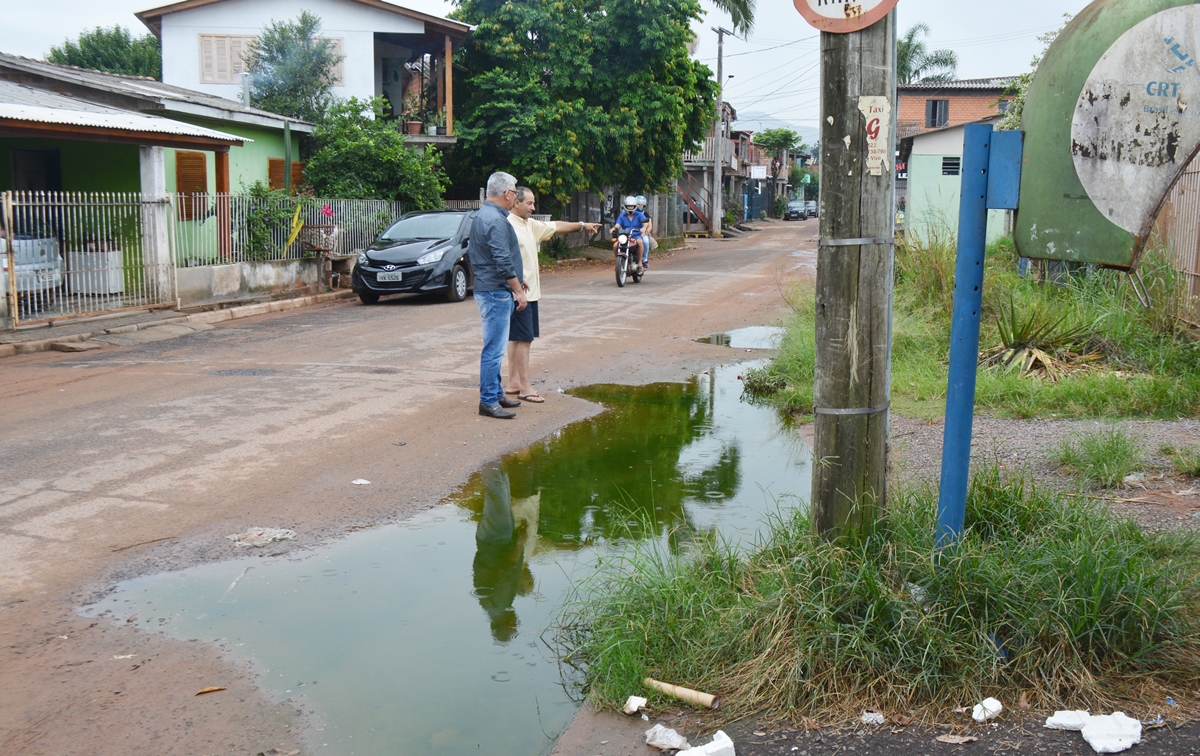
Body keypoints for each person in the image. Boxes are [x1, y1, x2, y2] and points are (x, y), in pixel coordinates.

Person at [505, 187, 599, 402]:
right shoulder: (508, 225)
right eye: (529, 203)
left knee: (516, 338)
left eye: (534, 203)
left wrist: (583, 225)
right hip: (519, 293)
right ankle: (525, 387)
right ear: (516, 203)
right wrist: (515, 287)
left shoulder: (530, 225)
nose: (533, 207)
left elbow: (556, 226)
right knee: (524, 339)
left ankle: (512, 382)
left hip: (529, 293)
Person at [467, 171, 528, 419]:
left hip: (491, 288)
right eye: (514, 191)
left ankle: (496, 393)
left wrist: (516, 277)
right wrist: (518, 291)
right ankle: (488, 401)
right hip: (495, 292)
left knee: (497, 346)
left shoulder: (485, 215)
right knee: (494, 348)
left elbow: (495, 257)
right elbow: (502, 261)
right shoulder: (496, 220)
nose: (515, 196)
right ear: (506, 194)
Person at [611, 196, 647, 273]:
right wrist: (614, 228)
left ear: (635, 206)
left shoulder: (639, 214)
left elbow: (645, 223)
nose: (630, 208)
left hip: (636, 235)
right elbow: (618, 225)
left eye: (632, 206)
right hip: (625, 236)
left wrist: (643, 228)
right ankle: (618, 263)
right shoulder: (622, 216)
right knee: (615, 245)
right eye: (629, 206)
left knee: (640, 242)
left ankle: (640, 264)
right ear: (625, 206)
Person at [635, 194, 655, 268]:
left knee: (646, 242)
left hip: (642, 233)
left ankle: (644, 259)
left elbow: (650, 226)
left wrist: (645, 232)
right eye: (638, 204)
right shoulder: (631, 214)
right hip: (632, 233)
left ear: (644, 206)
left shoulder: (646, 214)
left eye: (641, 205)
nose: (640, 206)